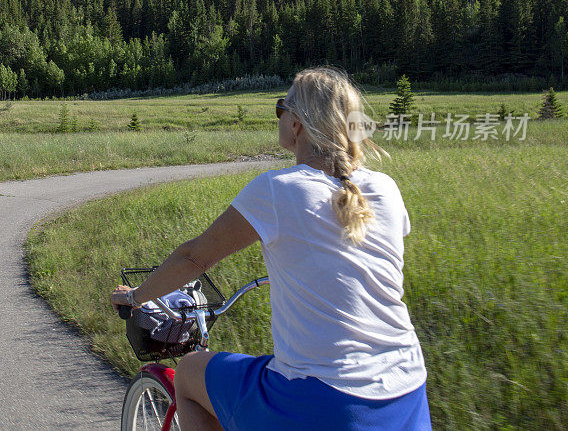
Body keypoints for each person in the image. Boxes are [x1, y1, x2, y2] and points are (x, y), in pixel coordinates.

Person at [111, 66, 431, 430]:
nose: (279, 116)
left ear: (296, 123)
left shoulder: (279, 190)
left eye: (282, 108)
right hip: (407, 392)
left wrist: (136, 298)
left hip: (325, 398)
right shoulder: (385, 188)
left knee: (187, 373)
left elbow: (193, 257)